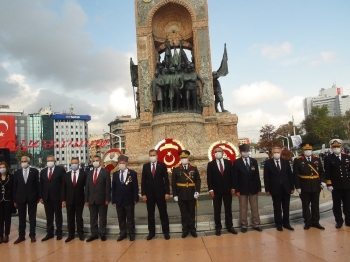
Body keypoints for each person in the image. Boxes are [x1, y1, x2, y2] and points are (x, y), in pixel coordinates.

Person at [293, 143, 326, 230]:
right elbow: (295, 175)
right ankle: (307, 222)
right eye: (306, 150)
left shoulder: (317, 159)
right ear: (303, 151)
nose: (308, 151)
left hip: (316, 185)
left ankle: (316, 222)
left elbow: (322, 172)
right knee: (305, 205)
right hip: (304, 186)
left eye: (309, 150)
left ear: (312, 150)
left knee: (315, 205)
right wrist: (298, 187)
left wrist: (322, 182)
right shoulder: (298, 160)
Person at [207, 146, 237, 236]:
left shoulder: (228, 163)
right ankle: (218, 227)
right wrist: (211, 190)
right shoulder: (211, 164)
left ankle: (229, 226)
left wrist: (233, 187)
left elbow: (232, 176)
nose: (217, 153)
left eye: (219, 151)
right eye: (215, 151)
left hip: (227, 189)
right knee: (217, 210)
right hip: (216, 191)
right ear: (213, 154)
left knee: (228, 209)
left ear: (223, 152)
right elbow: (209, 178)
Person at [141, 149, 170, 240]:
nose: (152, 157)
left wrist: (167, 192)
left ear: (157, 156)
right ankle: (151, 233)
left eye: (154, 155)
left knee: (163, 213)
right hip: (149, 195)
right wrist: (143, 194)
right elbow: (143, 181)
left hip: (161, 193)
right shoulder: (145, 166)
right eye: (151, 155)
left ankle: (166, 232)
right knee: (150, 214)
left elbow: (166, 180)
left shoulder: (162, 165)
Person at [233, 144, 262, 233]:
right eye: (244, 151)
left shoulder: (253, 161)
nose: (246, 153)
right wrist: (236, 190)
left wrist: (259, 188)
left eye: (247, 151)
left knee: (254, 206)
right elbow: (235, 177)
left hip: (253, 188)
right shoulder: (237, 162)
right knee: (243, 207)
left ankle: (256, 224)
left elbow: (257, 176)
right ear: (241, 152)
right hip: (242, 189)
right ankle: (244, 224)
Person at [264, 147, 295, 231]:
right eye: (275, 152)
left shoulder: (285, 162)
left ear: (280, 153)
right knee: (277, 207)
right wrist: (267, 189)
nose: (276, 153)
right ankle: (278, 224)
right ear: (272, 153)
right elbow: (266, 177)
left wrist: (292, 187)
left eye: (278, 152)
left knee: (286, 207)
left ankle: (286, 223)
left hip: (286, 188)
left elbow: (290, 175)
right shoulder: (268, 163)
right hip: (275, 188)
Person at [172, 150, 201, 238]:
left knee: (191, 212)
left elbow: (198, 180)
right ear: (180, 158)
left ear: (188, 158)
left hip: (192, 193)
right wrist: (175, 194)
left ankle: (192, 229)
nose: (184, 159)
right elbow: (173, 182)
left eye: (185, 157)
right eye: (182, 158)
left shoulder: (193, 167)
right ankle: (185, 229)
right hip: (181, 194)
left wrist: (197, 191)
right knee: (183, 213)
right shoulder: (176, 168)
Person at [13, 156, 40, 244]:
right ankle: (21, 236)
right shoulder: (17, 172)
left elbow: (37, 184)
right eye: (22, 161)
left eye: (25, 161)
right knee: (21, 217)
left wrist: (38, 197)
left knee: (32, 217)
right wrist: (14, 200)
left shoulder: (34, 171)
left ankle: (32, 235)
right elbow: (15, 187)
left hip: (32, 197)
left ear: (28, 162)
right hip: (20, 198)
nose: (23, 162)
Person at [112, 155, 139, 242]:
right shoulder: (115, 174)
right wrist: (113, 200)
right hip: (119, 200)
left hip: (129, 199)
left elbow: (135, 187)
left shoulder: (132, 173)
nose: (121, 165)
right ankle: (122, 233)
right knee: (121, 218)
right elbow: (114, 188)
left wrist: (135, 198)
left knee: (130, 218)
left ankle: (131, 234)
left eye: (123, 163)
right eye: (120, 163)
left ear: (126, 163)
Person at [324, 139, 350, 228]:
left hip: (347, 184)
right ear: (331, 148)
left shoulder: (347, 157)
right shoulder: (328, 158)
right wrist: (329, 184)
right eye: (334, 147)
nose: (336, 148)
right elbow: (327, 172)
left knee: (348, 203)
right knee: (337, 204)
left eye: (338, 147)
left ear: (341, 147)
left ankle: (348, 220)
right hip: (336, 185)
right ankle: (339, 221)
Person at [39, 155, 66, 241]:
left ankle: (59, 232)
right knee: (49, 216)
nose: (49, 162)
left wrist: (63, 198)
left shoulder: (60, 170)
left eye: (51, 160)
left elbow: (63, 185)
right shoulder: (43, 171)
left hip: (57, 197)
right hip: (47, 197)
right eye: (48, 160)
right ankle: (49, 233)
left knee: (58, 215)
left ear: (54, 161)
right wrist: (41, 197)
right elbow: (41, 185)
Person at [85, 155, 111, 242]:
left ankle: (102, 233)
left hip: (102, 199)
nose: (95, 162)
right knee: (93, 218)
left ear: (100, 162)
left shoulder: (105, 172)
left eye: (97, 160)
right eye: (94, 161)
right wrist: (86, 200)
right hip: (91, 199)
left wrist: (107, 199)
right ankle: (94, 234)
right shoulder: (89, 173)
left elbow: (108, 187)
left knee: (102, 217)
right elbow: (87, 187)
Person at [61, 157, 87, 242]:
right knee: (70, 218)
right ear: (70, 164)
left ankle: (80, 234)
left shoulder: (83, 174)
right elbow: (63, 188)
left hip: (79, 199)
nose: (74, 164)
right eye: (72, 163)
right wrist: (63, 200)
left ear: (78, 164)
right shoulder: (66, 175)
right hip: (69, 200)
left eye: (76, 163)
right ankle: (70, 235)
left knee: (79, 218)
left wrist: (86, 199)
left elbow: (86, 188)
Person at [0, 161, 13, 243]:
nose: (2, 169)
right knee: (0, 218)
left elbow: (13, 188)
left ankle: (6, 235)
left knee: (7, 218)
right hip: (0, 200)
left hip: (8, 200)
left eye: (3, 167)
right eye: (0, 167)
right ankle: (0, 235)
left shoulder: (11, 177)